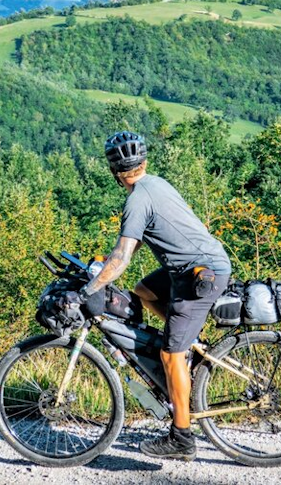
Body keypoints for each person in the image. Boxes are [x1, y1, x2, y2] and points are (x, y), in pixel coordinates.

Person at [77, 130, 231, 461]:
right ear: (144, 162)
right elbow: (139, 240)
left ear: (115, 172)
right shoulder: (157, 184)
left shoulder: (136, 199)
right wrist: (103, 263)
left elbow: (122, 258)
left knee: (170, 355)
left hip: (199, 276)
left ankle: (182, 439)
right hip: (198, 266)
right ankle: (186, 341)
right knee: (144, 291)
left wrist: (88, 289)